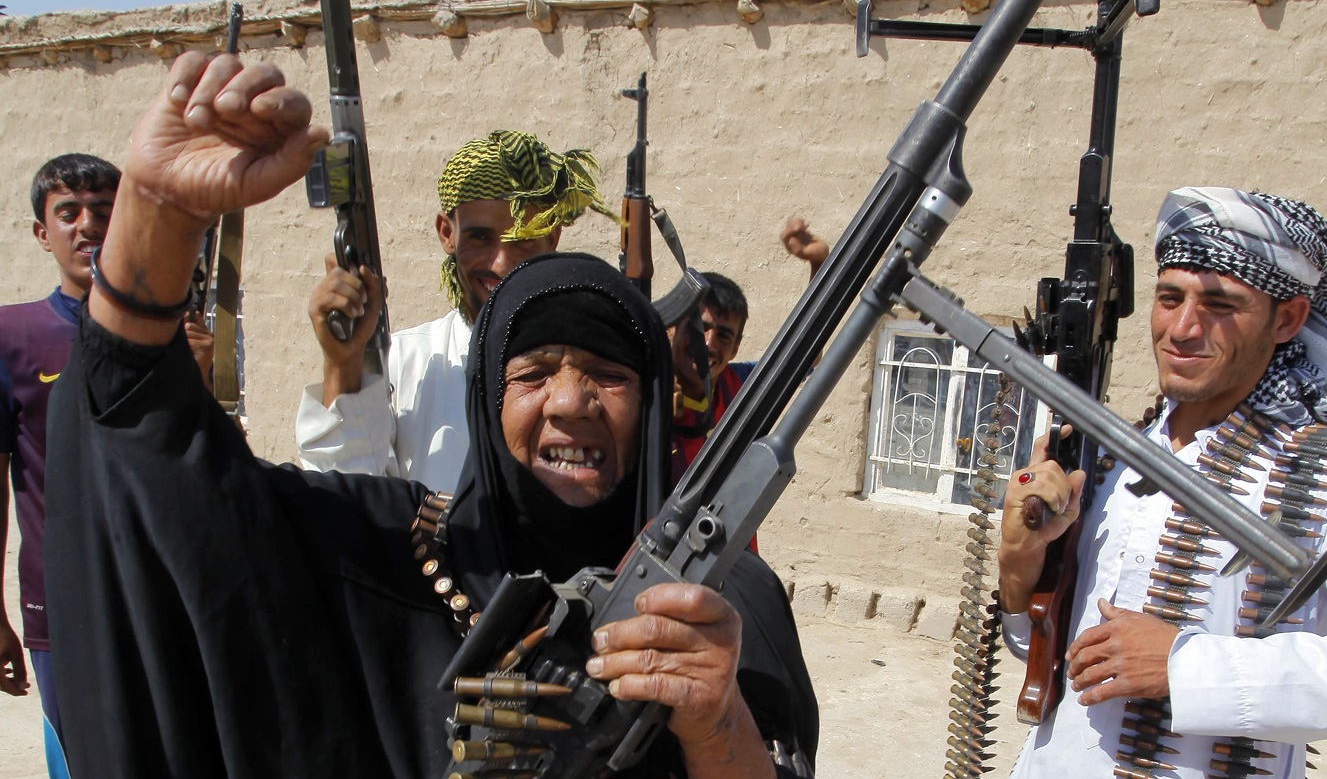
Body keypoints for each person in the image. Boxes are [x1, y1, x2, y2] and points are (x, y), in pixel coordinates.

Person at [45, 52, 817, 779]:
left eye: (610, 376)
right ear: (489, 396)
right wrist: (158, 216)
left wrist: (715, 719)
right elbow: (167, 479)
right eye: (534, 372)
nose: (571, 401)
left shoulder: (725, 599)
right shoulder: (396, 553)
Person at [997, 186, 1327, 778]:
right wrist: (1020, 564)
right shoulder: (1105, 458)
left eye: (1220, 304)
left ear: (1286, 318)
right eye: (1169, 297)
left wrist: (1185, 666)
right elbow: (1041, 651)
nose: (1183, 328)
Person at [295, 130, 614, 490]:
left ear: (552, 238)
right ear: (447, 233)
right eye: (481, 238)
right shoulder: (406, 363)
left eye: (521, 240)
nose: (502, 262)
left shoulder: (592, 364)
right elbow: (346, 498)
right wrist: (342, 363)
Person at [0, 154, 117, 777]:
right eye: (68, 213)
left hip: (157, 587)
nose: (88, 225)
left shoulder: (174, 330)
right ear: (43, 233)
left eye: (103, 211)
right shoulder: (12, 336)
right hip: (60, 599)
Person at [669, 221, 828, 481]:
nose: (708, 344)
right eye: (699, 328)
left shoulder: (738, 387)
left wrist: (820, 266)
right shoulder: (637, 388)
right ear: (671, 328)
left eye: (723, 336)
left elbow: (806, 356)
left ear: (735, 348)